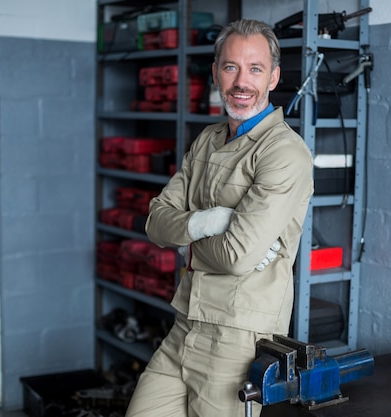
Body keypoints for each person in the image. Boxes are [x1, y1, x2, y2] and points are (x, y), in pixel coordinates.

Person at [125, 19, 313, 417]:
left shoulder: (284, 153)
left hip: (238, 338)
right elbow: (155, 221)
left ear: (274, 77)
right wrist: (210, 222)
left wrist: (186, 243)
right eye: (230, 67)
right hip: (186, 321)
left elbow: (237, 257)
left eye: (255, 69)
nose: (241, 81)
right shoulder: (207, 140)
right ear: (215, 72)